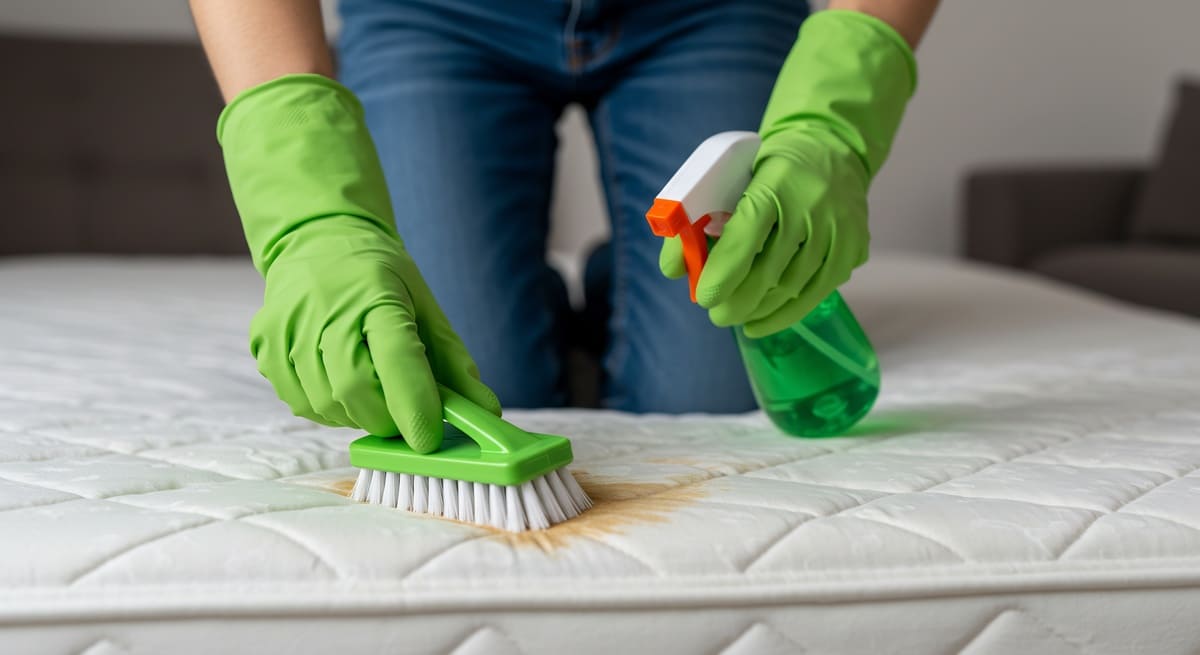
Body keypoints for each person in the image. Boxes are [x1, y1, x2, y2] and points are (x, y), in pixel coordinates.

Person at [191, 0, 939, 453]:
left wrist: (837, 117)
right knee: (459, 380)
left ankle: (633, 281)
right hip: (433, 17)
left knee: (712, 385)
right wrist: (310, 215)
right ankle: (526, 289)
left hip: (713, 13)